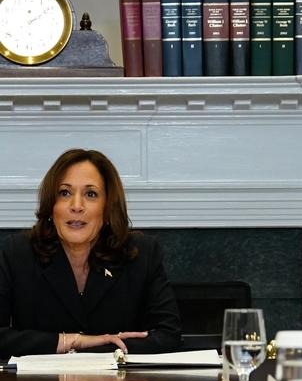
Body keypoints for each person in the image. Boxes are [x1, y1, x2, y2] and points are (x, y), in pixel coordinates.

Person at [0, 149, 181, 357]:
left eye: (91, 194)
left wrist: (100, 348)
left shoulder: (140, 254)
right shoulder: (19, 253)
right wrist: (72, 341)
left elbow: (168, 336)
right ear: (52, 206)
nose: (77, 206)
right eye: (65, 193)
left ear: (107, 209)